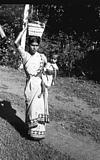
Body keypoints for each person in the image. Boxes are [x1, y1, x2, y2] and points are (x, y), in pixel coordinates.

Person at [15, 26, 50, 140]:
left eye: (36, 45)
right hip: (31, 85)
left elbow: (46, 68)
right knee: (31, 107)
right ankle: (31, 131)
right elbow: (16, 43)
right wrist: (23, 31)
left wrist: (46, 74)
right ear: (28, 45)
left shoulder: (42, 57)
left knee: (39, 108)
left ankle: (39, 133)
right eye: (32, 45)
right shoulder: (25, 55)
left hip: (40, 84)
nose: (34, 47)